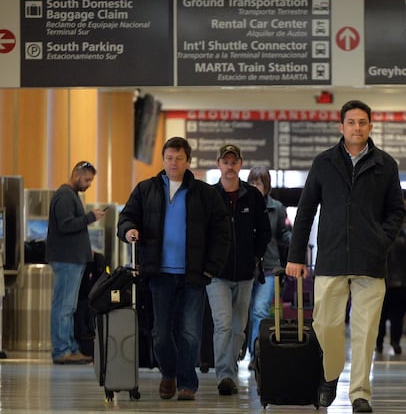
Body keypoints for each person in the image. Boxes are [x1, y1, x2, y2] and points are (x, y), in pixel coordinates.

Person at [285, 100, 405, 414]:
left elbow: (396, 210)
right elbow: (306, 210)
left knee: (366, 332)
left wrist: (381, 240)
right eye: (351, 122)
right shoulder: (324, 163)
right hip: (332, 257)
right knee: (325, 324)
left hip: (370, 261)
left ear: (370, 126)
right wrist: (295, 255)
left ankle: (360, 394)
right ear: (341, 127)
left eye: (362, 122)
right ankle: (330, 375)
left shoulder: (385, 165)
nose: (357, 127)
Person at [118, 137, 231, 401]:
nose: (174, 163)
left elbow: (222, 232)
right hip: (159, 273)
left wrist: (211, 269)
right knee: (160, 333)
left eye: (179, 158)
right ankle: (168, 373)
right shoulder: (146, 189)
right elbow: (126, 217)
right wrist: (129, 231)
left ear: (188, 161)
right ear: (163, 159)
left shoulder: (204, 193)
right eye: (169, 158)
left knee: (190, 333)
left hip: (194, 275)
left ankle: (187, 384)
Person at [207, 146, 271, 395]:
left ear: (240, 164)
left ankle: (230, 366)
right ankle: (225, 375)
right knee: (222, 324)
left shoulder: (253, 196)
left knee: (237, 328)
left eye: (234, 162)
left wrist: (255, 256)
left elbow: (264, 231)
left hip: (245, 274)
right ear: (219, 164)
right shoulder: (210, 195)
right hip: (216, 275)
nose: (230, 166)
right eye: (226, 161)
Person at [46, 161, 106, 365]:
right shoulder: (65, 196)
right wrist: (91, 217)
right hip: (67, 259)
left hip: (72, 258)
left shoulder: (71, 196)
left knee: (68, 306)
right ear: (75, 174)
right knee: (64, 306)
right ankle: (62, 350)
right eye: (87, 179)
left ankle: (69, 347)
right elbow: (66, 225)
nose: (89, 183)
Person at [246, 165, 291, 366]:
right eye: (253, 182)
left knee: (260, 310)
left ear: (267, 185)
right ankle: (246, 351)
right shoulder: (242, 205)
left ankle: (256, 356)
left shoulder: (277, 208)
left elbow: (283, 233)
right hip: (245, 267)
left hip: (270, 266)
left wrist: (297, 241)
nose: (256, 186)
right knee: (244, 313)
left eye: (260, 183)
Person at [376, 235, 406, 356]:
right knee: (397, 317)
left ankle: (379, 343)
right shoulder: (403, 243)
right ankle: (395, 342)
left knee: (381, 317)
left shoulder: (380, 241)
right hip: (401, 286)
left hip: (383, 284)